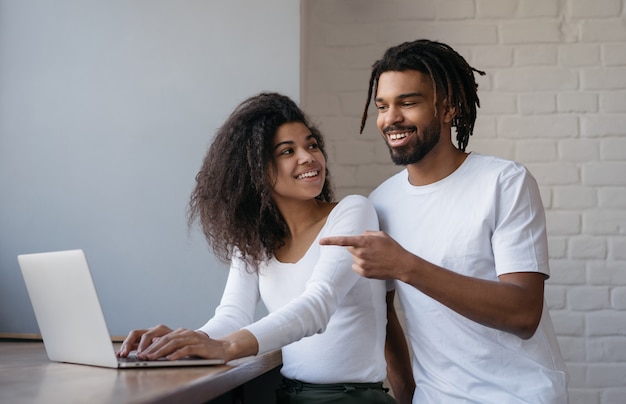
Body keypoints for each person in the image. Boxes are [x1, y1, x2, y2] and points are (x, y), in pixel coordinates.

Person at [320, 39, 569, 403]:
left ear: (449, 107)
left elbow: (523, 313)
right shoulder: (381, 202)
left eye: (408, 103)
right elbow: (383, 314)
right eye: (382, 106)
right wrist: (406, 392)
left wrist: (407, 266)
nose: (391, 119)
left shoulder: (504, 182)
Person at [116, 92, 398, 403]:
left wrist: (227, 347)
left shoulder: (352, 211)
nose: (308, 157)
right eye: (287, 151)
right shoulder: (256, 239)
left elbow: (318, 306)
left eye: (311, 144)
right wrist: (182, 343)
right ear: (256, 169)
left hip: (352, 399)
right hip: (288, 395)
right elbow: (232, 316)